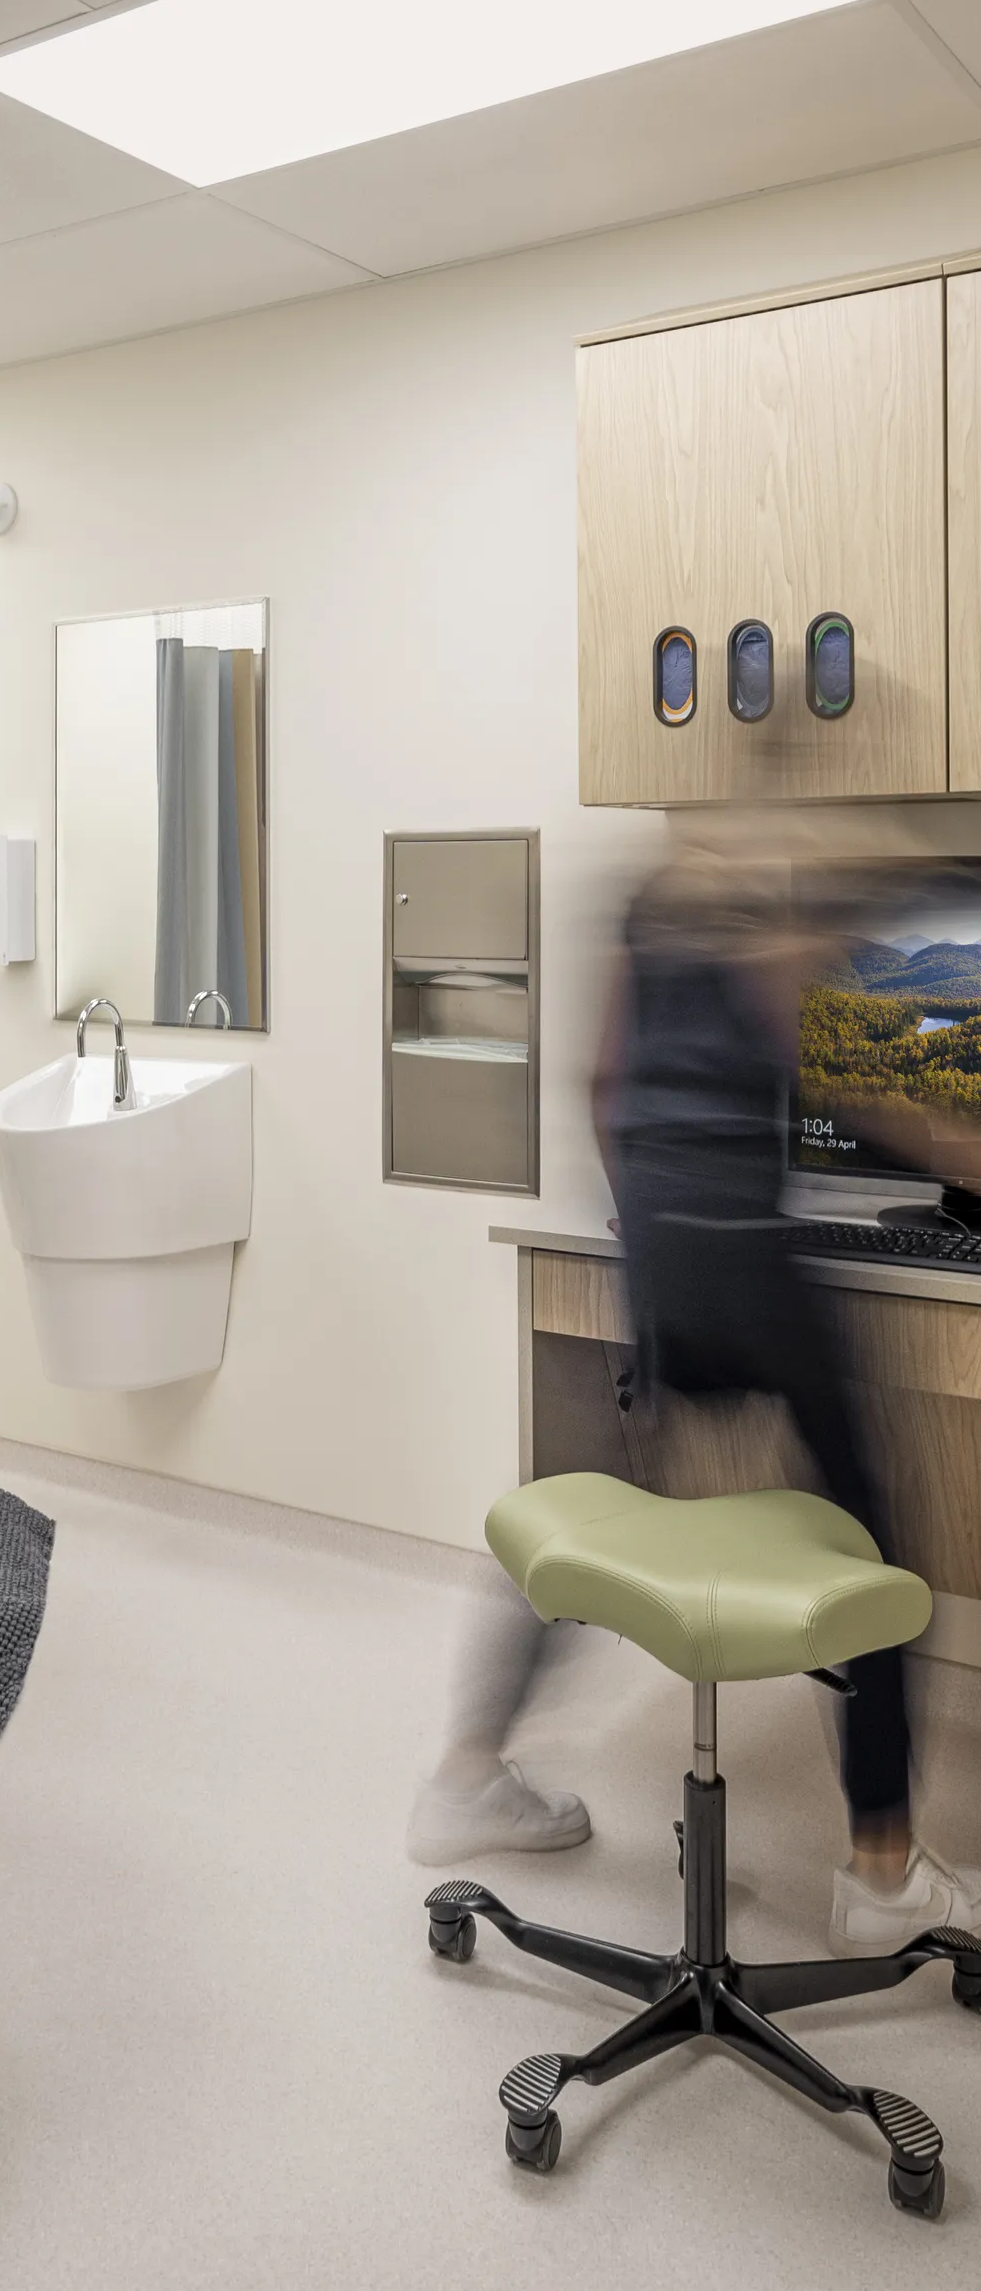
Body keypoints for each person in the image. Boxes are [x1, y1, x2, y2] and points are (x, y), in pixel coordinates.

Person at [411, 833, 977, 1957]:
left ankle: (467, 1770)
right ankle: (879, 1867)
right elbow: (856, 1086)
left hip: (663, 1254)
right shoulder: (763, 922)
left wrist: (646, 1228)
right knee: (876, 1537)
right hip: (745, 1260)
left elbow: (601, 1080)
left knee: (593, 1488)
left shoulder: (655, 907)